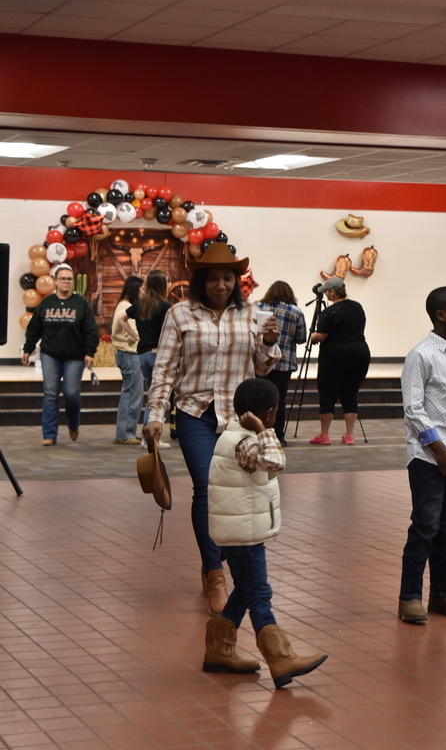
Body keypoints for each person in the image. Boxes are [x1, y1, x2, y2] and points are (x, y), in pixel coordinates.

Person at [144, 242, 281, 617]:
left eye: (228, 278)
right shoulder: (180, 314)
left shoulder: (253, 314)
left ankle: (229, 562)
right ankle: (214, 572)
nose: (221, 285)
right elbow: (165, 369)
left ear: (236, 281)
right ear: (201, 279)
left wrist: (269, 342)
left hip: (239, 420)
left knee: (234, 492)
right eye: (214, 278)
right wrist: (155, 413)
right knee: (206, 487)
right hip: (195, 413)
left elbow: (264, 368)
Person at [203, 377, 328, 688]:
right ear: (270, 413)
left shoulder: (235, 435)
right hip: (243, 533)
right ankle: (281, 658)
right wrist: (264, 430)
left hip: (243, 528)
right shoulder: (245, 442)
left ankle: (218, 651)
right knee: (259, 594)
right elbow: (275, 459)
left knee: (245, 591)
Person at [398, 286, 446, 625]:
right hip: (430, 456)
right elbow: (413, 410)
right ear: (441, 315)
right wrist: (437, 447)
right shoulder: (421, 355)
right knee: (425, 525)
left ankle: (442, 593)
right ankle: (409, 597)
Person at [21, 263, 99, 446]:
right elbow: (34, 329)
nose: (66, 282)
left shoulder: (81, 303)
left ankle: (73, 424)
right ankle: (49, 435)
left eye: (69, 279)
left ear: (72, 282)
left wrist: (89, 352)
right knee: (50, 394)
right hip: (50, 355)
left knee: (71, 394)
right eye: (62, 278)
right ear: (56, 281)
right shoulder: (46, 303)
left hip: (74, 357)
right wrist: (27, 349)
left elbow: (91, 331)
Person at [309, 276, 370, 445]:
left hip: (335, 356)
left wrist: (313, 336)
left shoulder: (329, 312)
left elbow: (322, 336)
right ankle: (349, 435)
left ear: (331, 292)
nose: (326, 295)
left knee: (328, 393)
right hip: (359, 353)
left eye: (327, 292)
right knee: (350, 393)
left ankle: (324, 434)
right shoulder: (357, 307)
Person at [117, 269, 172, 448]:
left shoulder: (140, 304)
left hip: (142, 355)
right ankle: (148, 438)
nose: (170, 284)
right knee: (156, 397)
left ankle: (147, 436)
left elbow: (121, 318)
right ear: (161, 285)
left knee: (152, 394)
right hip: (158, 354)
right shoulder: (165, 306)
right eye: (167, 281)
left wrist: (136, 336)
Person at [256, 281, 307, 446]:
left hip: (260, 360)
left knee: (259, 398)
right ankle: (278, 435)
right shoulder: (295, 312)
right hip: (284, 363)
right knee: (279, 399)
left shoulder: (257, 308)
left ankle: (258, 431)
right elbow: (301, 339)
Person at [111, 275, 144, 445]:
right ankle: (124, 433)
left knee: (134, 393)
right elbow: (126, 326)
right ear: (134, 289)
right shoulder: (126, 306)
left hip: (129, 354)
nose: (144, 292)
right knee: (131, 393)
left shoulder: (126, 305)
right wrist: (139, 339)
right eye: (142, 289)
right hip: (129, 354)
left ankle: (128, 430)